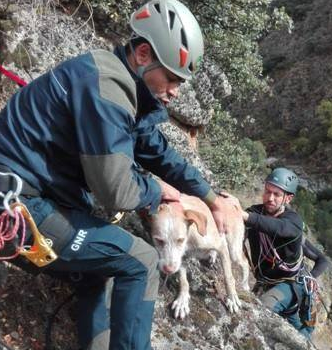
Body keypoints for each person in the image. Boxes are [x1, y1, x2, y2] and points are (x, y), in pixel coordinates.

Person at [0, 1, 236, 349]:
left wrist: (211, 199)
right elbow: (116, 191)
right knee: (141, 262)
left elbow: (157, 151)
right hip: (19, 207)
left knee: (103, 268)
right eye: (171, 78)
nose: (175, 91)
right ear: (143, 54)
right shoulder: (107, 89)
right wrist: (155, 191)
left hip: (29, 198)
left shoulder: (120, 84)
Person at [239, 168, 330, 337]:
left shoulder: (292, 222)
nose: (270, 198)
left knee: (263, 308)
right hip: (267, 283)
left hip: (292, 284)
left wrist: (310, 277)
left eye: (276, 194)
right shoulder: (255, 212)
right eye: (267, 191)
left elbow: (322, 259)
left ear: (288, 198)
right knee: (294, 326)